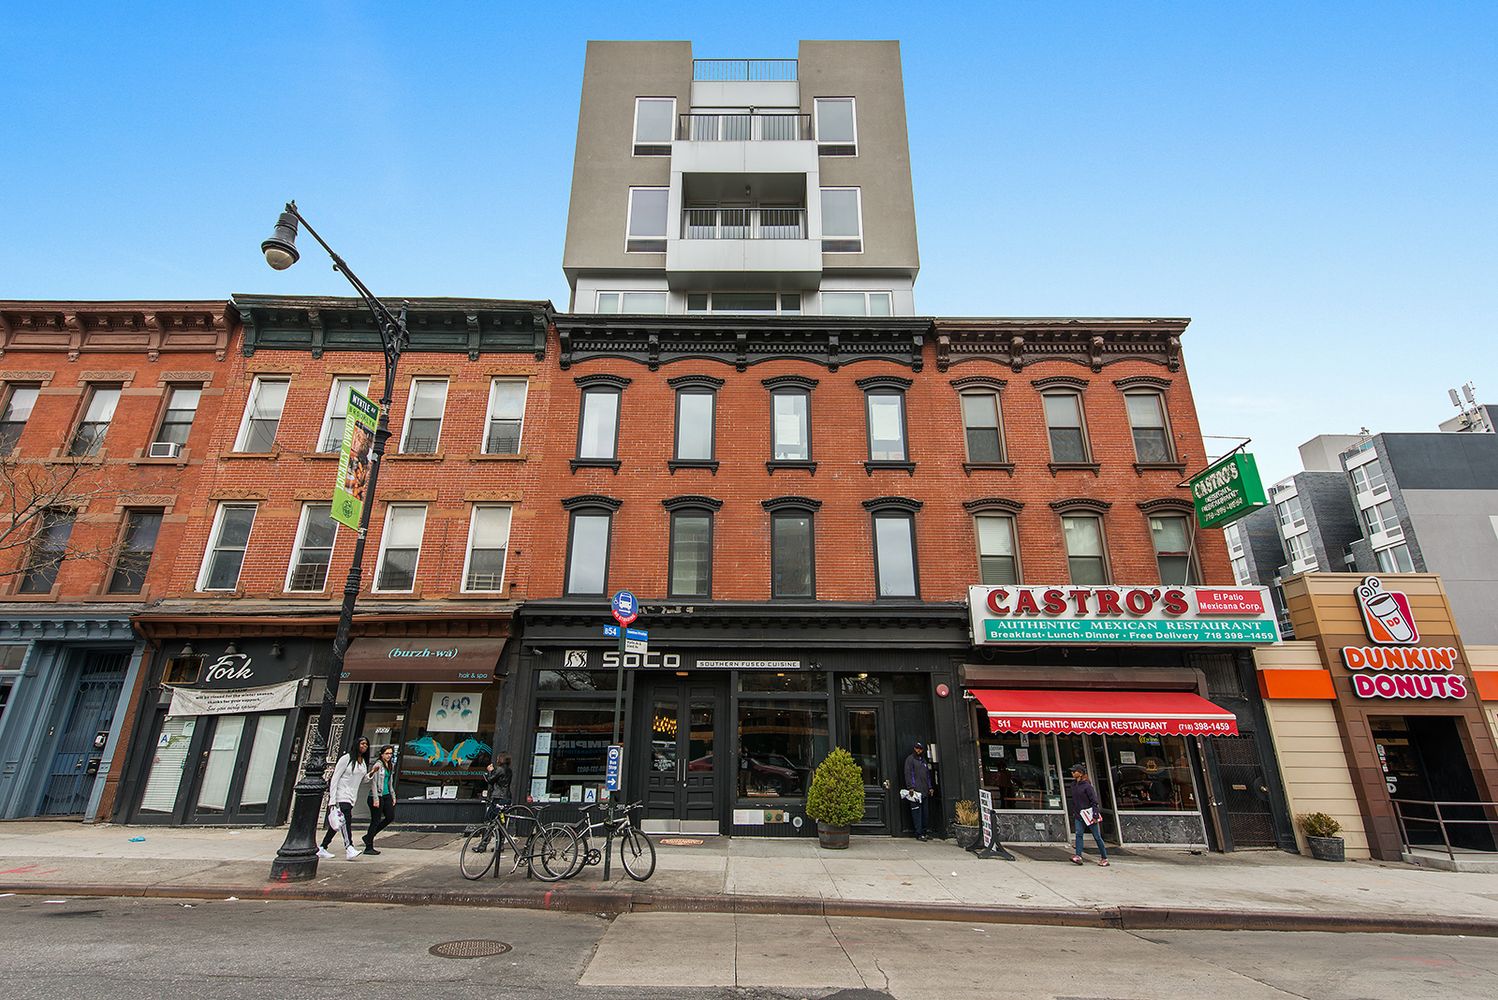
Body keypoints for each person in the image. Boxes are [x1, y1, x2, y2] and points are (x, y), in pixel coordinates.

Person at [319, 737, 370, 861]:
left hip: (352, 796)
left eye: (366, 744)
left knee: (337, 824)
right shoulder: (346, 759)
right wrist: (332, 799)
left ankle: (322, 847)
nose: (365, 746)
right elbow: (335, 778)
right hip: (341, 795)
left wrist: (371, 773)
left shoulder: (362, 761)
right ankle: (349, 847)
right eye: (362, 743)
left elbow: (363, 780)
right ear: (356, 744)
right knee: (346, 821)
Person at [1069, 764, 1109, 866]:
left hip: (1089, 814)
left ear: (1081, 773)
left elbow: (1094, 801)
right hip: (1079, 815)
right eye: (1072, 771)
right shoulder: (1073, 785)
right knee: (1078, 834)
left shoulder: (1087, 786)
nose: (1072, 773)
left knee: (1096, 836)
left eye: (1075, 771)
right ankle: (1078, 856)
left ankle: (1104, 858)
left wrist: (1095, 815)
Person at [363, 744, 396, 855]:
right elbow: (372, 782)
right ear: (381, 754)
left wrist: (393, 796)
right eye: (387, 753)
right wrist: (376, 798)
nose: (389, 756)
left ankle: (368, 837)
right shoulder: (378, 765)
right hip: (376, 795)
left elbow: (390, 782)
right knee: (375, 821)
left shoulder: (390, 765)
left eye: (390, 753)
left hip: (386, 795)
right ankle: (369, 846)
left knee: (390, 817)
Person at [903, 741, 935, 841]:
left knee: (925, 813)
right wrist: (911, 787)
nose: (918, 750)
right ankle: (919, 833)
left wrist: (930, 787)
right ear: (914, 748)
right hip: (916, 791)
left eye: (920, 749)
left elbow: (927, 775)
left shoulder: (923, 760)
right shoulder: (910, 760)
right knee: (917, 813)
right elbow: (908, 774)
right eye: (917, 748)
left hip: (924, 790)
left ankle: (924, 831)